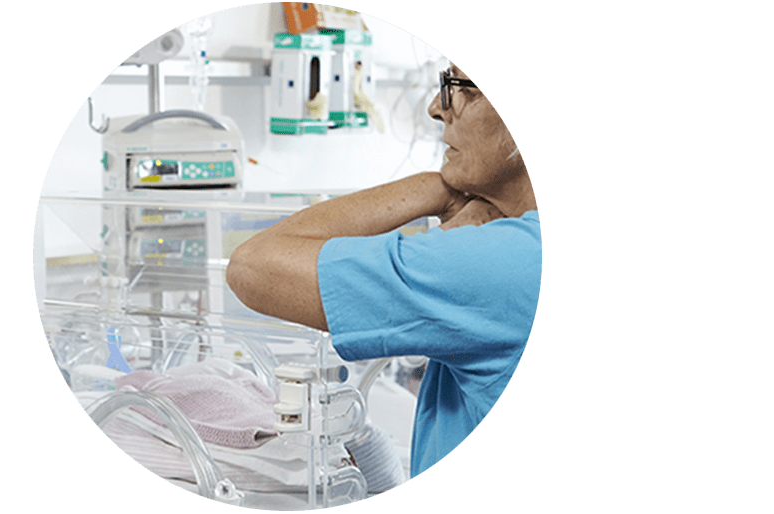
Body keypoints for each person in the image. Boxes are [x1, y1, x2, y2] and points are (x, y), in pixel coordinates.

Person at [226, 64, 541, 478]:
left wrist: (432, 189)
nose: (436, 107)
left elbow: (252, 266)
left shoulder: (507, 261)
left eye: (463, 87)